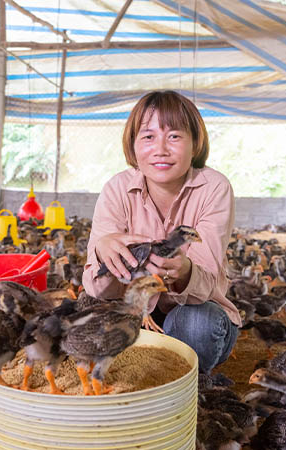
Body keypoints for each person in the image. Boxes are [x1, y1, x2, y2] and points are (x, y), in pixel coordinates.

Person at [81, 90, 240, 374]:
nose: (161, 149)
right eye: (148, 136)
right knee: (85, 321)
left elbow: (206, 282)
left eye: (175, 136)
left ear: (195, 143)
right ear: (133, 145)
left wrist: (185, 271)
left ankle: (193, 381)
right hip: (134, 313)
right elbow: (96, 289)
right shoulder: (117, 189)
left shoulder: (214, 188)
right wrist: (104, 253)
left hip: (194, 311)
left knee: (195, 324)